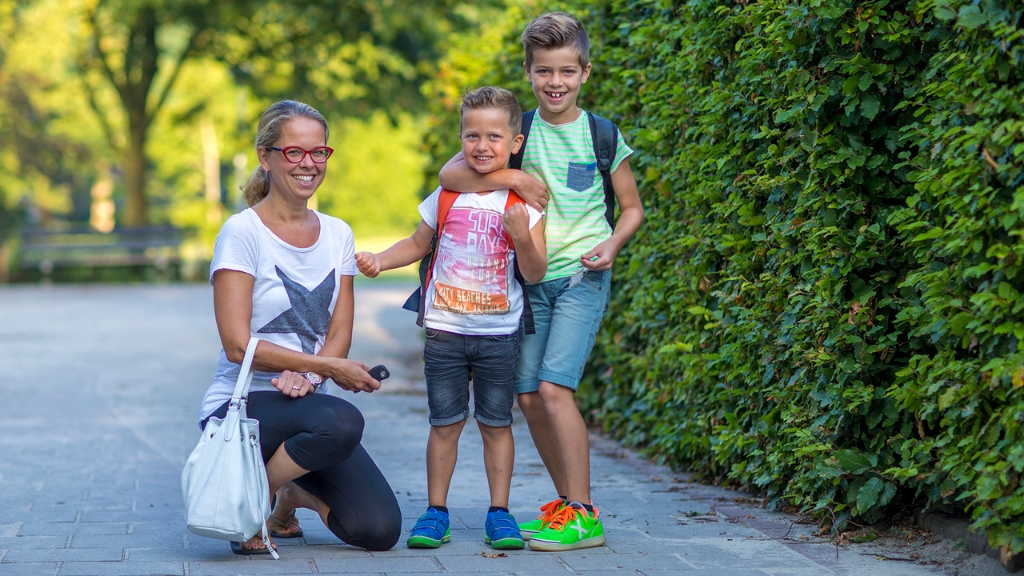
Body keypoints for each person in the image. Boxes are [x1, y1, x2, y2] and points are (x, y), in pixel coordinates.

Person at [436, 13, 644, 551]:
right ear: (528, 73)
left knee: (554, 390)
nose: (556, 82)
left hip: (581, 277)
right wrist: (513, 175)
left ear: (585, 72)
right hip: (527, 285)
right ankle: (566, 507)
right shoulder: (516, 132)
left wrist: (612, 245)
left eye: (567, 71)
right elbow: (451, 175)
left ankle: (585, 515)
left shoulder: (602, 134)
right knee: (527, 398)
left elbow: (632, 209)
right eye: (544, 71)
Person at [199, 99, 402, 555]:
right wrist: (323, 366)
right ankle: (246, 501)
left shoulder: (338, 234)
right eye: (294, 152)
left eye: (319, 152)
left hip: (310, 409)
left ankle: (282, 494)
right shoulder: (242, 232)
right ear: (265, 157)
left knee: (378, 529)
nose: (308, 163)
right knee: (343, 419)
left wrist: (311, 376)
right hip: (241, 408)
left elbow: (339, 335)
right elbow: (236, 345)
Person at [355, 86, 546, 551]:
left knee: (496, 424)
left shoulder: (523, 204)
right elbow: (418, 243)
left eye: (494, 137)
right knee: (444, 423)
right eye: (471, 135)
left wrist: (522, 236)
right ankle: (435, 511)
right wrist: (380, 259)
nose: (482, 146)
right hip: (444, 331)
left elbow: (535, 271)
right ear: (460, 138)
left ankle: (499, 513)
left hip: (499, 333)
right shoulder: (445, 193)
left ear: (515, 143)